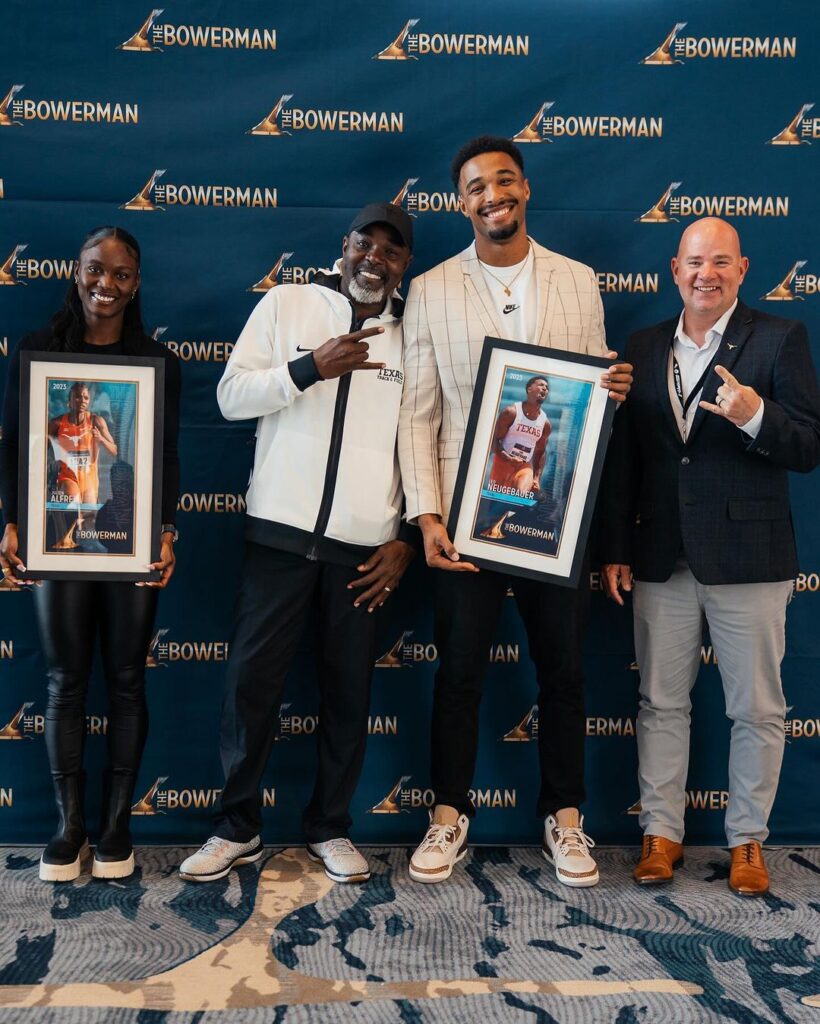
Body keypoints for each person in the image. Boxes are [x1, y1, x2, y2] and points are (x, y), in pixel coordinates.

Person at [397, 135, 632, 887]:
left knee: (563, 672)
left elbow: (587, 398)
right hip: (469, 518)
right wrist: (428, 517)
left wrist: (610, 393)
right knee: (459, 673)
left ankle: (565, 819)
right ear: (459, 202)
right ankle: (446, 817)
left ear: (525, 189)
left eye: (504, 181)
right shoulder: (431, 288)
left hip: (554, 516)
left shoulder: (578, 280)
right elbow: (418, 413)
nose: (491, 195)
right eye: (475, 186)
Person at [179, 203, 415, 885]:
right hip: (279, 538)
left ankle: (330, 827)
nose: (375, 258)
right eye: (364, 244)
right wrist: (308, 368)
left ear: (405, 267)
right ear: (342, 247)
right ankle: (236, 827)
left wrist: (402, 537)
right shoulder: (287, 303)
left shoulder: (414, 335)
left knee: (348, 694)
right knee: (251, 686)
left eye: (391, 251)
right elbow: (230, 397)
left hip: (364, 550)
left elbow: (423, 442)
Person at [600, 217, 820, 896]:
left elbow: (809, 446)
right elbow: (626, 461)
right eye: (696, 261)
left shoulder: (780, 338)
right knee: (661, 702)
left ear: (743, 269)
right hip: (662, 557)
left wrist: (756, 414)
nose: (707, 273)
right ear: (675, 269)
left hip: (750, 557)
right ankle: (660, 836)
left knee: (756, 708)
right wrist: (614, 549)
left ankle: (748, 840)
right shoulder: (642, 343)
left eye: (721, 262)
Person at [0, 225, 181, 882]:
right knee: (64, 682)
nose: (104, 284)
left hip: (125, 535)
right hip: (57, 530)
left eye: (120, 274)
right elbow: (15, 447)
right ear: (76, 272)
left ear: (136, 284)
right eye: (93, 270)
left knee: (128, 680)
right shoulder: (36, 352)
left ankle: (116, 826)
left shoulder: (157, 363)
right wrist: (13, 523)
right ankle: (69, 825)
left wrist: (165, 530)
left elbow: (161, 458)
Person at [488, 375, 551, 496]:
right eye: (540, 385)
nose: (544, 388)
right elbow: (493, 441)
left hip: (524, 466)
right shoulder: (510, 413)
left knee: (521, 494)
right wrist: (509, 458)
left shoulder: (545, 424)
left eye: (546, 387)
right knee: (496, 505)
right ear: (529, 389)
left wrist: (536, 478)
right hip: (502, 462)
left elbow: (541, 451)